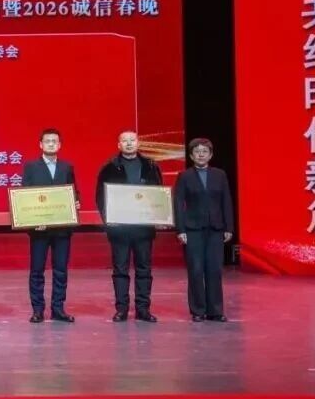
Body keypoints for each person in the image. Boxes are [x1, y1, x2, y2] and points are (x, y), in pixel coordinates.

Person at [96, 131, 164, 323]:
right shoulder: (109, 167)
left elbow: (159, 193)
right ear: (119, 145)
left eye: (132, 140)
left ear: (138, 143)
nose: (128, 143)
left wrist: (160, 215)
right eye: (124, 141)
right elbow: (100, 197)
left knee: (144, 270)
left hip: (143, 228)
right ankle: (122, 309)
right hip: (119, 229)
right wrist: (108, 218)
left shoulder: (150, 166)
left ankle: (143, 309)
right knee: (120, 270)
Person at [22, 128, 80, 323]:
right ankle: (38, 310)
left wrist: (76, 202)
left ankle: (58, 309)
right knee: (37, 270)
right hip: (39, 229)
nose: (51, 144)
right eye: (47, 141)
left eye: (55, 141)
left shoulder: (66, 167)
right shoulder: (31, 167)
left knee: (61, 270)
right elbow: (25, 196)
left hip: (62, 229)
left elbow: (74, 192)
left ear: (60, 145)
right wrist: (32, 221)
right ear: (41, 144)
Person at [173, 138, 234, 322]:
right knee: (196, 270)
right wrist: (180, 230)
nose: (201, 154)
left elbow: (226, 201)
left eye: (205, 151)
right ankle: (198, 310)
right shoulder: (184, 176)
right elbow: (178, 204)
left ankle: (216, 311)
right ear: (192, 155)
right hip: (193, 230)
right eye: (197, 152)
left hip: (216, 229)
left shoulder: (219, 175)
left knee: (214, 270)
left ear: (211, 155)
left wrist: (229, 227)